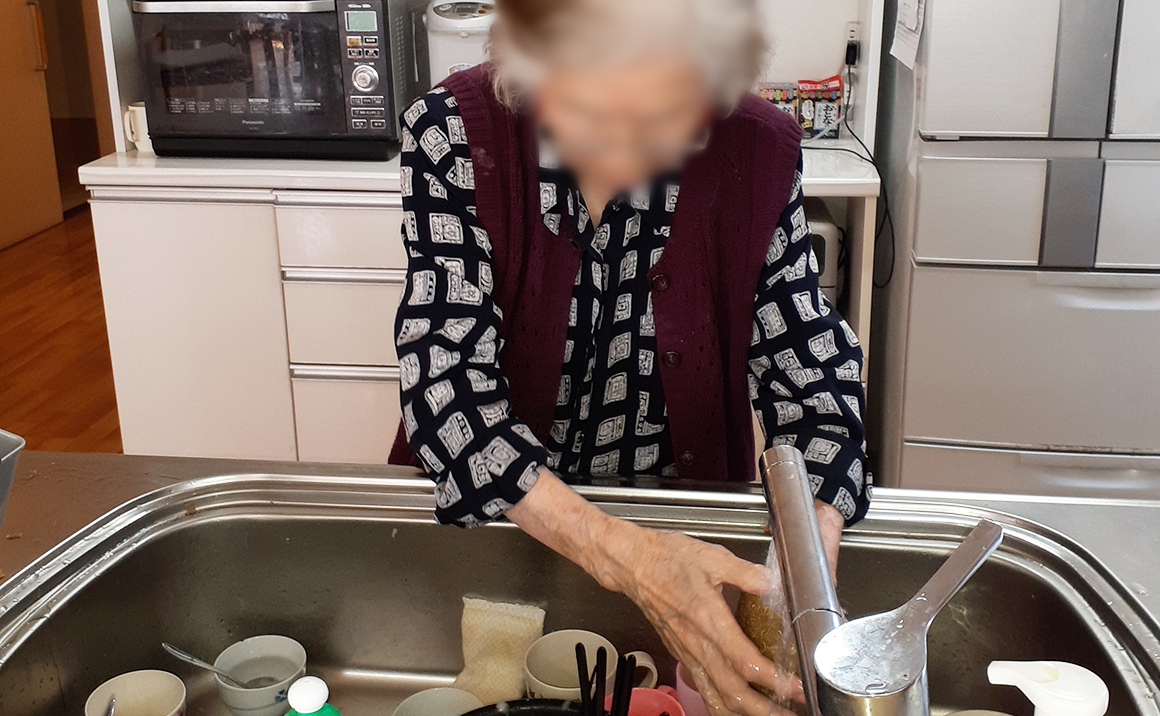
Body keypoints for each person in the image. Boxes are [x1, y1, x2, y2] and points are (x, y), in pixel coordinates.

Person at [390, 0, 869, 713]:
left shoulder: (757, 150)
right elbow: (445, 387)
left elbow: (817, 390)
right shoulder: (454, 136)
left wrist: (806, 564)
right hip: (505, 525)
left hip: (686, 539)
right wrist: (634, 560)